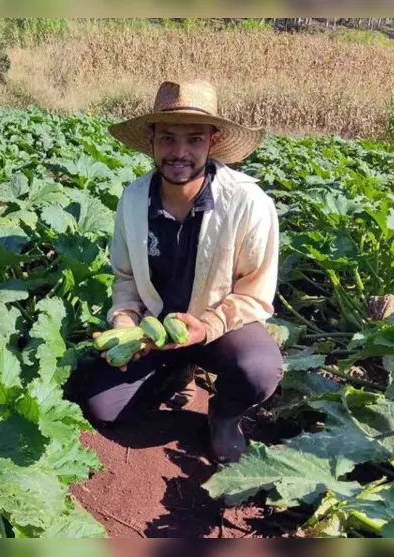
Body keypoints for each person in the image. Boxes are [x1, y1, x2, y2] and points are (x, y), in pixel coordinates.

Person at [79, 79, 283, 464]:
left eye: (194, 139)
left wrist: (205, 327)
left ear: (213, 140)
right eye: (168, 138)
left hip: (219, 329)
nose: (179, 152)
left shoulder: (248, 202)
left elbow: (255, 294)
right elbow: (125, 278)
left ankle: (223, 415)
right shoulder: (133, 199)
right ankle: (176, 371)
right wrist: (123, 321)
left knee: (258, 369)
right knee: (103, 408)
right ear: (152, 140)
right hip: (154, 332)